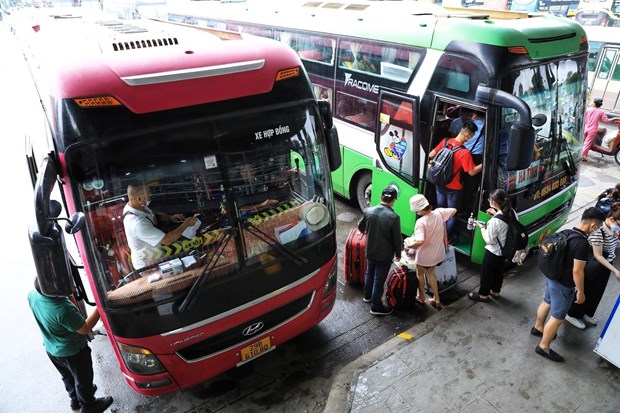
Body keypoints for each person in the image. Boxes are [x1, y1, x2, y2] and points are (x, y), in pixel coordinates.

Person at [28, 279, 113, 413]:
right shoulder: (62, 309)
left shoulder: (33, 294)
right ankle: (88, 406)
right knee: (83, 380)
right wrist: (100, 306)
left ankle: (75, 400)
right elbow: (85, 328)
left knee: (67, 376)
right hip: (73, 351)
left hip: (52, 349)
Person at [532, 207, 606, 362]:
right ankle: (544, 347)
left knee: (546, 302)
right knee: (558, 317)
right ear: (592, 226)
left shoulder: (567, 232)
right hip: (563, 285)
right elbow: (578, 272)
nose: (597, 230)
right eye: (598, 227)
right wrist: (580, 291)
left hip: (552, 277)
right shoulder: (582, 244)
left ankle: (538, 328)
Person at [565, 204, 620, 329]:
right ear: (612, 219)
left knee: (597, 291)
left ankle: (587, 312)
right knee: (587, 290)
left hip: (607, 264)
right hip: (595, 266)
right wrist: (615, 271)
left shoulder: (612, 229)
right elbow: (598, 256)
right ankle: (572, 314)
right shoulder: (598, 232)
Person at [428, 120, 483, 242]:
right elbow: (471, 172)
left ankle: (436, 233)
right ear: (467, 136)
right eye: (471, 137)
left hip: (439, 183)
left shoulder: (445, 141)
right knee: (452, 213)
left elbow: (431, 155)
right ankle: (445, 239)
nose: (470, 139)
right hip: (454, 188)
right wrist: (485, 164)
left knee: (440, 209)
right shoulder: (464, 152)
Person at [123, 184, 197, 270]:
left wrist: (170, 218)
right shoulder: (137, 224)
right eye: (148, 194)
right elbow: (167, 240)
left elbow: (152, 214)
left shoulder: (137, 206)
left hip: (158, 255)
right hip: (149, 266)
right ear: (139, 199)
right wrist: (186, 224)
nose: (150, 195)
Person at [357, 186, 402, 316]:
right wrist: (398, 254)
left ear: (380, 197)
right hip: (384, 254)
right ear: (393, 200)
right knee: (379, 279)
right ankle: (376, 306)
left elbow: (360, 227)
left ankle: (367, 296)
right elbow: (396, 240)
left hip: (370, 251)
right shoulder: (394, 217)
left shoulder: (368, 211)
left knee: (369, 272)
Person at [407, 194, 456, 310]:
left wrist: (409, 244)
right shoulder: (439, 213)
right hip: (438, 253)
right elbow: (454, 210)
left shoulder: (421, 222)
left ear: (418, 210)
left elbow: (420, 241)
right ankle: (437, 298)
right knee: (430, 273)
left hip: (425, 256)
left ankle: (421, 296)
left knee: (420, 274)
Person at [467, 189, 511, 302]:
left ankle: (483, 295)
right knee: (498, 272)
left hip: (494, 251)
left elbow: (489, 240)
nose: (488, 200)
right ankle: (495, 292)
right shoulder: (511, 212)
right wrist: (496, 213)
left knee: (486, 273)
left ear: (494, 202)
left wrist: (481, 227)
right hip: (505, 250)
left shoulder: (495, 221)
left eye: (489, 199)